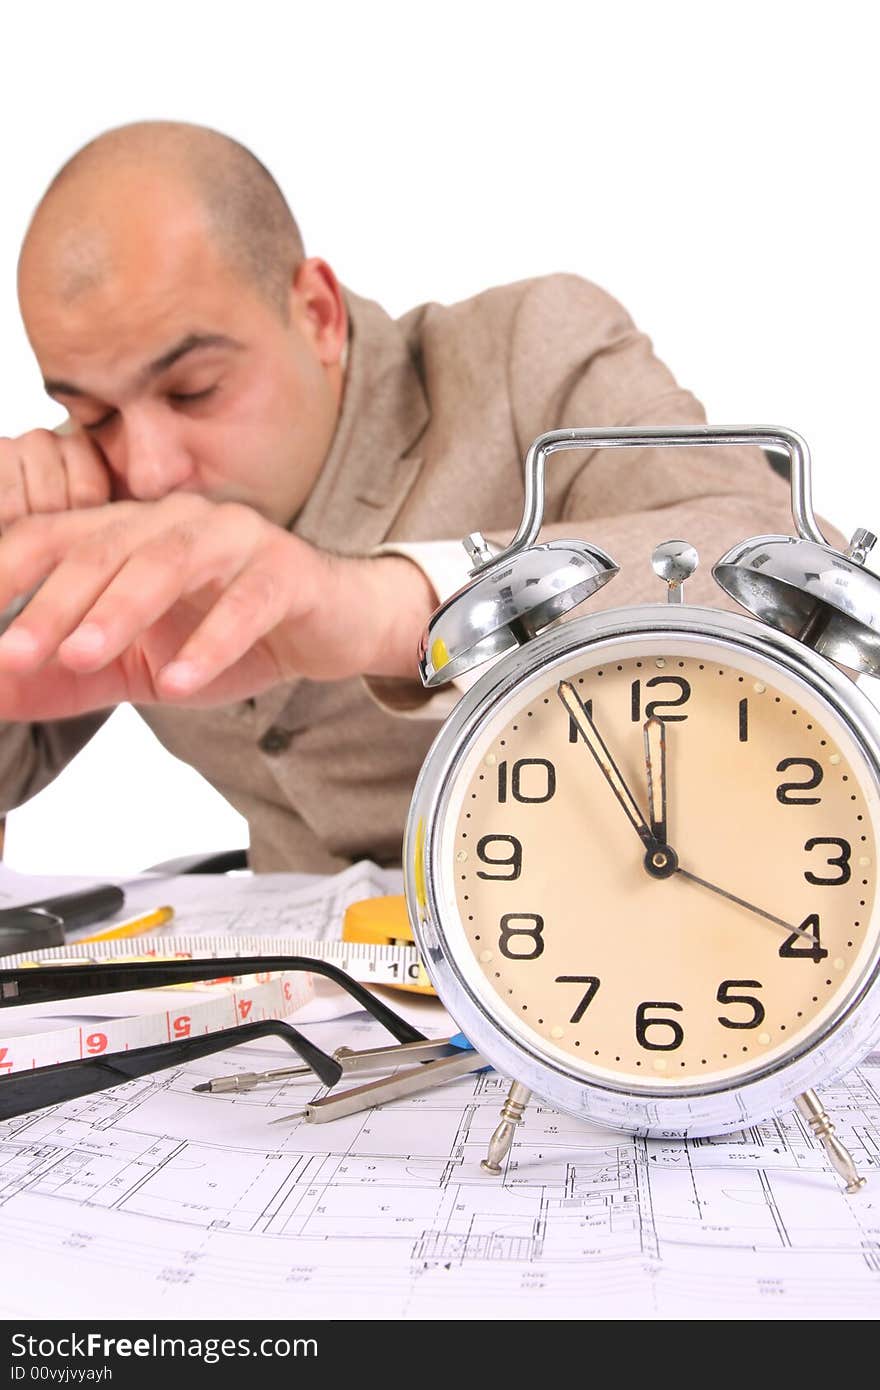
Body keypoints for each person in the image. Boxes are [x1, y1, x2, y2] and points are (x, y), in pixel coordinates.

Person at [0, 121, 827, 872]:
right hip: (301, 1011)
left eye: (193, 389)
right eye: (91, 411)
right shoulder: (92, 491)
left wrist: (388, 610)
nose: (145, 471)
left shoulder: (526, 354)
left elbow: (785, 565)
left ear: (317, 313)